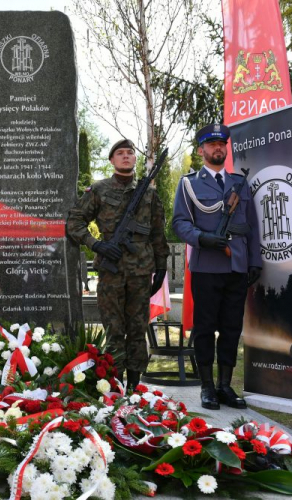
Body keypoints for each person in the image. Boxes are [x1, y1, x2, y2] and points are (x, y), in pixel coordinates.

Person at [172, 123, 262, 410]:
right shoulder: (189, 183)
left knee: (232, 328)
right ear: (201, 150)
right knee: (205, 328)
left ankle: (225, 385)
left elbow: (253, 226)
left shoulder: (240, 182)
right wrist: (202, 239)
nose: (218, 148)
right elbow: (180, 222)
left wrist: (255, 261)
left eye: (222, 143)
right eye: (211, 144)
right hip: (207, 265)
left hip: (237, 265)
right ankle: (207, 386)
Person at [66, 139, 169, 391]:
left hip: (141, 272)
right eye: (120, 153)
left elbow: (158, 233)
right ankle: (114, 385)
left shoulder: (149, 193)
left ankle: (135, 386)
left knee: (137, 329)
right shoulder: (99, 190)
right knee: (114, 330)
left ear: (135, 159)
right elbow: (74, 223)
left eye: (130, 153)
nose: (125, 157)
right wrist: (97, 244)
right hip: (111, 272)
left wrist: (162, 267)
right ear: (112, 160)